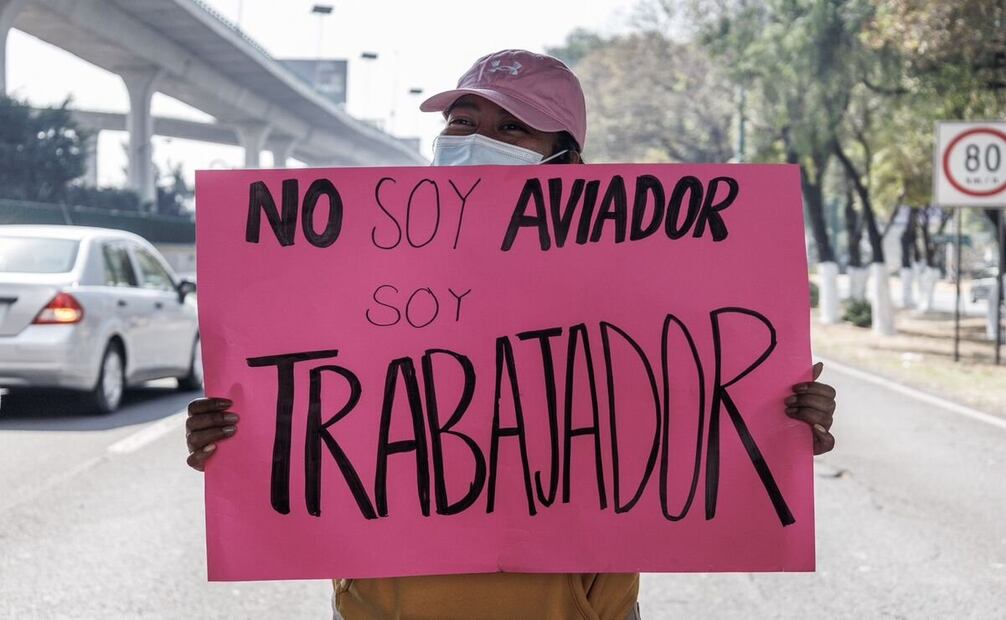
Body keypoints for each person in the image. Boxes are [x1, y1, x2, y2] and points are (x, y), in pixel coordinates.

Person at [185, 49, 838, 620]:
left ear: (567, 160)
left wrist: (774, 421)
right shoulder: (358, 280)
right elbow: (309, 410)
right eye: (462, 122)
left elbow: (686, 406)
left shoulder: (635, 294)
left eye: (511, 128)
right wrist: (234, 434)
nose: (476, 138)